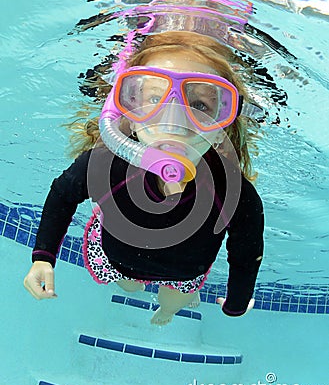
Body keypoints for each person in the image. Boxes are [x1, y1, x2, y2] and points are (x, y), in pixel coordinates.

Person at [24, 31, 264, 326]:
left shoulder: (233, 190)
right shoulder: (106, 163)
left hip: (183, 274)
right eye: (154, 97)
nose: (173, 120)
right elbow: (63, 195)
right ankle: (137, 289)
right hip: (117, 261)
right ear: (128, 107)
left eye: (200, 105)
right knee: (128, 284)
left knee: (172, 303)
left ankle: (166, 311)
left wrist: (238, 300)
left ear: (223, 120)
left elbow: (247, 250)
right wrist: (43, 257)